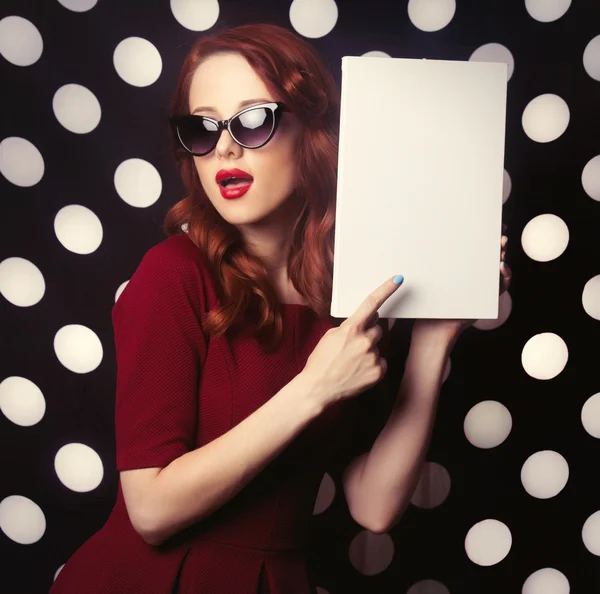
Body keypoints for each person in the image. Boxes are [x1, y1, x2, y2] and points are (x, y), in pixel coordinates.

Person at [50, 23, 511, 594]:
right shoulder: (173, 275)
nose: (224, 147)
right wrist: (313, 389)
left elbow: (373, 506)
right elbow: (151, 510)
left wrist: (432, 341)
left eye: (252, 120)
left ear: (312, 134)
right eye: (203, 127)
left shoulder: (348, 300)